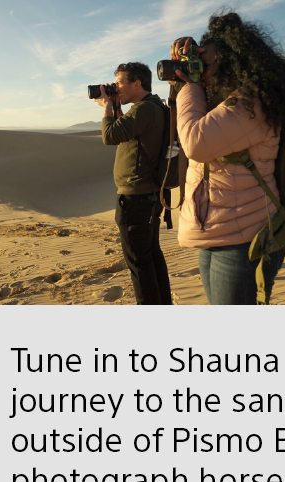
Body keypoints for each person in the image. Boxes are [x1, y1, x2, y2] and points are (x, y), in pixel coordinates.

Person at [170, 12, 285, 304]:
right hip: (220, 230)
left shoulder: (252, 103)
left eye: (205, 64)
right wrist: (185, 80)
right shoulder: (223, 101)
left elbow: (195, 142)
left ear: (230, 61)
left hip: (246, 239)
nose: (201, 72)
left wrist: (189, 85)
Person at [95, 62, 172, 305]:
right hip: (147, 194)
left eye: (120, 83)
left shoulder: (144, 109)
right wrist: (115, 106)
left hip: (137, 197)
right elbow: (124, 131)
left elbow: (110, 136)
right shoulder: (152, 107)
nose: (116, 88)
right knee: (150, 256)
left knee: (139, 262)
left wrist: (107, 106)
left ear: (137, 83)